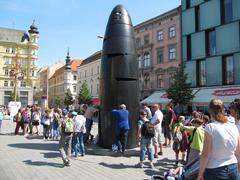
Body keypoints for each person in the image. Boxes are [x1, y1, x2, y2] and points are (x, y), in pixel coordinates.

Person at [197, 99, 240, 180]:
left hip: (215, 170)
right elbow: (238, 152)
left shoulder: (210, 127)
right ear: (223, 109)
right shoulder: (233, 126)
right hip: (233, 167)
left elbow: (206, 154)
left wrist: (200, 173)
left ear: (210, 110)